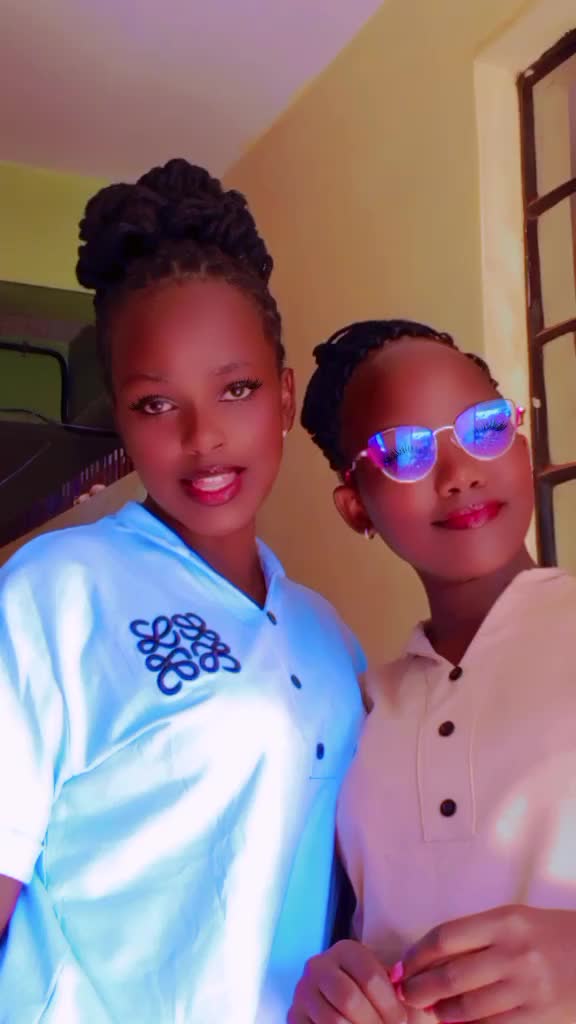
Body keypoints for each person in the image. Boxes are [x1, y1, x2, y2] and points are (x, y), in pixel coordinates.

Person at [0, 160, 364, 1024]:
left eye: (236, 389)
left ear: (283, 398)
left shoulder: (327, 636)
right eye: (156, 404)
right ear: (120, 421)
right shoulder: (57, 591)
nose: (204, 438)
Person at [289, 319, 576, 1024]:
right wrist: (329, 985)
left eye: (485, 427)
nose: (459, 473)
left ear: (521, 443)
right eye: (405, 452)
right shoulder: (357, 709)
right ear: (356, 506)